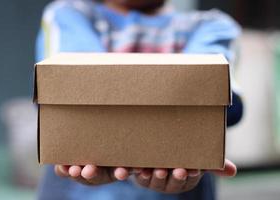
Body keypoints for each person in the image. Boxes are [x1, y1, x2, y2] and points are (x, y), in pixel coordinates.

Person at [36, 0, 243, 199]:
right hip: (77, 189)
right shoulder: (69, 13)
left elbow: (223, 102)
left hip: (180, 186)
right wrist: (178, 98)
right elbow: (71, 82)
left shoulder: (213, 25)